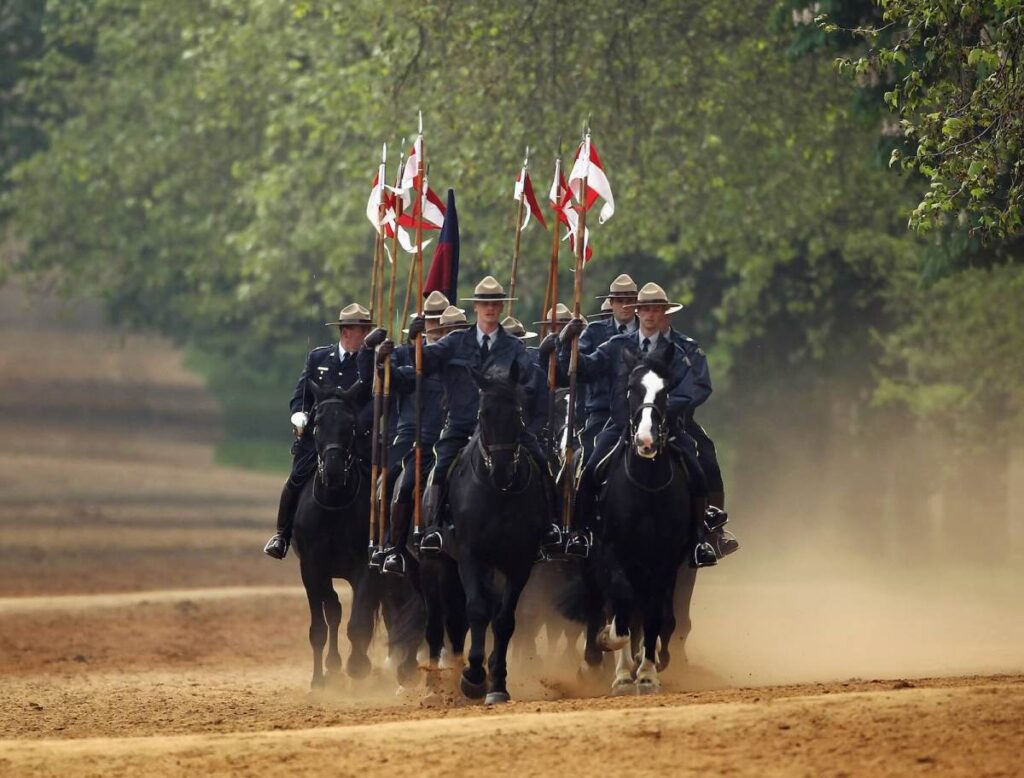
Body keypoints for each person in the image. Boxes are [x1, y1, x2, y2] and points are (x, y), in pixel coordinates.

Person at [380, 276, 559, 557]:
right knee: (438, 469)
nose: (489, 309)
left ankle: (550, 530)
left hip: (502, 428)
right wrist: (402, 351)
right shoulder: (455, 342)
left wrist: (543, 368)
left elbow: (529, 376)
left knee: (541, 463)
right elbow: (422, 364)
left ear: (501, 307)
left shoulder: (513, 346)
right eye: (484, 303)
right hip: (462, 425)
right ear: (476, 307)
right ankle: (431, 532)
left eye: (495, 304)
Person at [541, 283, 719, 565]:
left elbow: (691, 390)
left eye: (656, 309)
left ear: (664, 313)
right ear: (637, 312)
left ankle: (700, 540)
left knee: (696, 470)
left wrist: (658, 413)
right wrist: (566, 344)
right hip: (620, 424)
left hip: (666, 426)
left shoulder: (677, 350)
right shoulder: (616, 346)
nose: (650, 314)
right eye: (645, 308)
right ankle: (581, 532)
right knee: (590, 470)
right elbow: (582, 369)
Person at [263, 303, 373, 559]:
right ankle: (282, 534)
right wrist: (300, 416)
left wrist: (361, 423)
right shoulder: (319, 358)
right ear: (346, 332)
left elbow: (373, 399)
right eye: (362, 330)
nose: (366, 335)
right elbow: (300, 395)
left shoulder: (370, 361)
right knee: (297, 477)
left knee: (376, 482)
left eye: (367, 329)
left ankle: (382, 541)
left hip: (355, 438)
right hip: (320, 437)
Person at [361, 291, 456, 571]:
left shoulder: (454, 354)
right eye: (431, 320)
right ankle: (393, 546)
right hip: (412, 436)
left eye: (441, 320)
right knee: (390, 482)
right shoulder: (404, 352)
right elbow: (383, 379)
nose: (436, 325)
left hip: (448, 435)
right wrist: (381, 358)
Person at [577, 274, 639, 461]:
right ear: (611, 302)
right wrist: (566, 346)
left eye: (629, 301)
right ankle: (584, 490)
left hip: (640, 411)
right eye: (619, 301)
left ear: (637, 303)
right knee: (589, 460)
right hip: (602, 411)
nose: (624, 305)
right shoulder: (594, 332)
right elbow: (580, 368)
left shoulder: (647, 331)